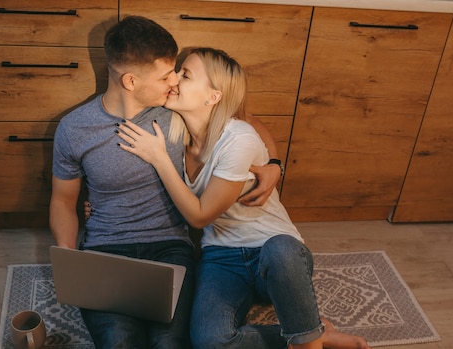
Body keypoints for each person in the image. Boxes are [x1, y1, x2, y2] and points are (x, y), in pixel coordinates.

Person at [115, 47, 371, 349]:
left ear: (213, 97)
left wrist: (160, 160)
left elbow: (200, 215)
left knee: (281, 250)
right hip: (221, 258)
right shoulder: (173, 130)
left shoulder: (238, 139)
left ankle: (307, 343)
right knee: (209, 342)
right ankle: (315, 333)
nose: (174, 79)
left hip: (275, 256)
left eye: (186, 74)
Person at [50, 16, 282, 349]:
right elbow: (61, 200)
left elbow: (247, 121)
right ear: (130, 80)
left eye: (177, 71)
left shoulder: (175, 111)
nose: (174, 80)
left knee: (169, 343)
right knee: (119, 342)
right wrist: (69, 257)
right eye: (165, 74)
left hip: (169, 248)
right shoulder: (75, 129)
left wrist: (274, 165)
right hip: (106, 250)